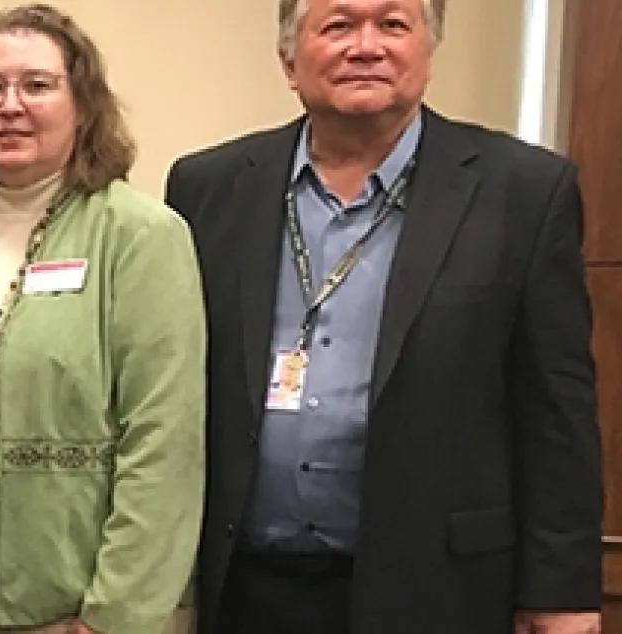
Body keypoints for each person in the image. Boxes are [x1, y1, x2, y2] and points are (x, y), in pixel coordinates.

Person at [164, 0, 602, 632]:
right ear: (289, 60)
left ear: (427, 50)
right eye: (338, 25)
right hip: (241, 587)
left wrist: (560, 591)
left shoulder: (525, 193)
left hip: (435, 587)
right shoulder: (207, 188)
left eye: (393, 24)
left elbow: (557, 412)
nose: (365, 46)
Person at [0, 4, 207, 633]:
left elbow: (164, 442)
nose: (11, 105)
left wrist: (116, 612)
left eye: (37, 85)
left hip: (73, 597)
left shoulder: (141, 237)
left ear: (83, 105)